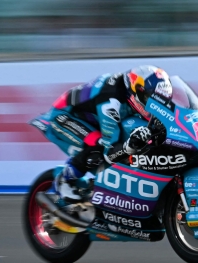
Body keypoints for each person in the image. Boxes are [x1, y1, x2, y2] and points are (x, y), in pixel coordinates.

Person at [48, 65, 173, 202]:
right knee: (99, 146)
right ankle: (64, 179)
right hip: (65, 116)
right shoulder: (111, 103)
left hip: (94, 115)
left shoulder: (132, 92)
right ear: (137, 91)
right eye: (151, 99)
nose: (156, 104)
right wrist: (128, 146)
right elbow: (110, 152)